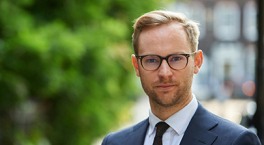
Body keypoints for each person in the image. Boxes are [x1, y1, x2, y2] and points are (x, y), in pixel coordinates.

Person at [101, 10, 261, 145]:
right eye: (151, 60)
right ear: (136, 66)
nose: (164, 72)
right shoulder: (115, 142)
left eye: (176, 58)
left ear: (197, 62)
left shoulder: (237, 141)